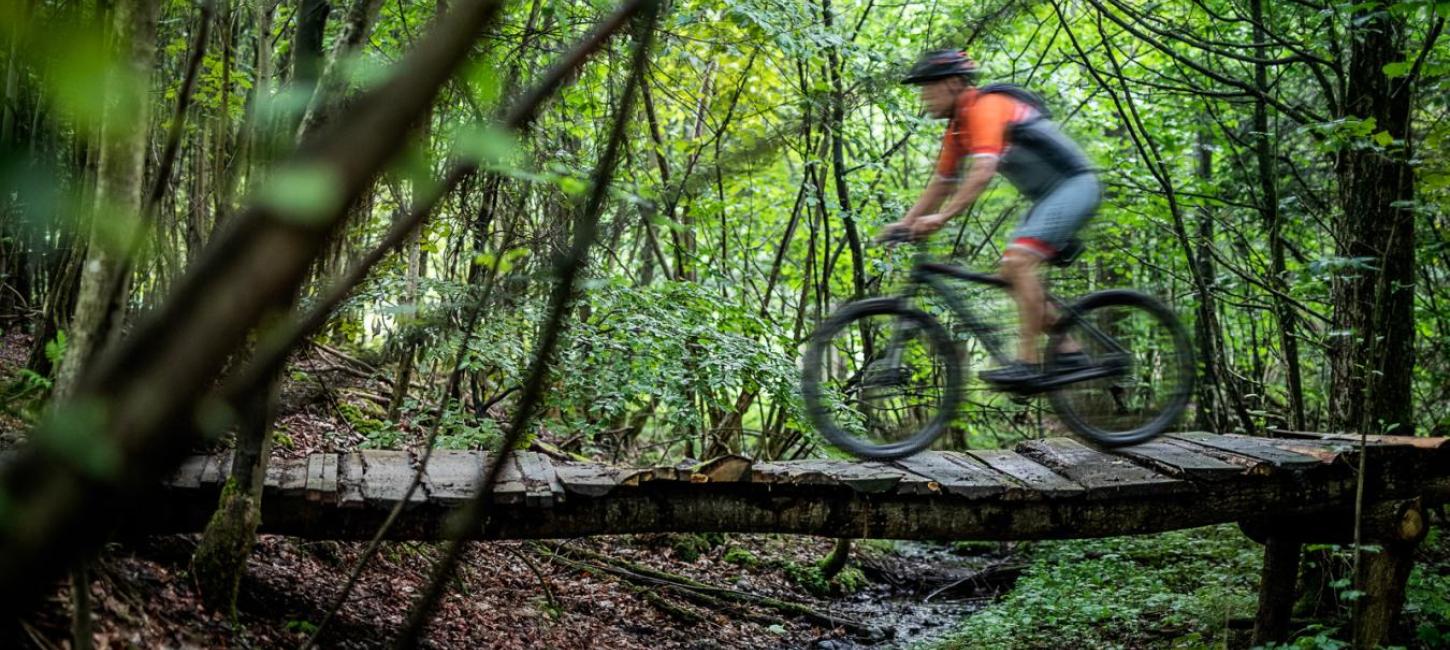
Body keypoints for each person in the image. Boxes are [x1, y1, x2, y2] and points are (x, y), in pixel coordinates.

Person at [881, 49, 1101, 387]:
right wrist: (906, 224)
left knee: (1018, 263)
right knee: (1012, 273)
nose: (924, 97)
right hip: (1049, 197)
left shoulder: (985, 107)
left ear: (954, 83)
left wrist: (941, 219)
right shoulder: (957, 129)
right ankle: (1070, 351)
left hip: (1076, 185)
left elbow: (982, 172)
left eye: (929, 87)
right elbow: (942, 183)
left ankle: (1027, 362)